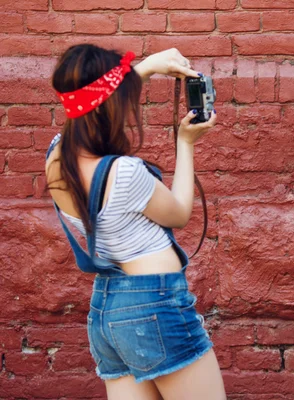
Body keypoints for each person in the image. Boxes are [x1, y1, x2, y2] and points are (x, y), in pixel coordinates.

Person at [45, 44, 225, 400]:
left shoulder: (55, 157)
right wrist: (185, 144)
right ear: (113, 101)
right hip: (153, 305)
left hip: (106, 309)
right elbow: (179, 213)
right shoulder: (123, 172)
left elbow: (91, 102)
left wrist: (148, 67)